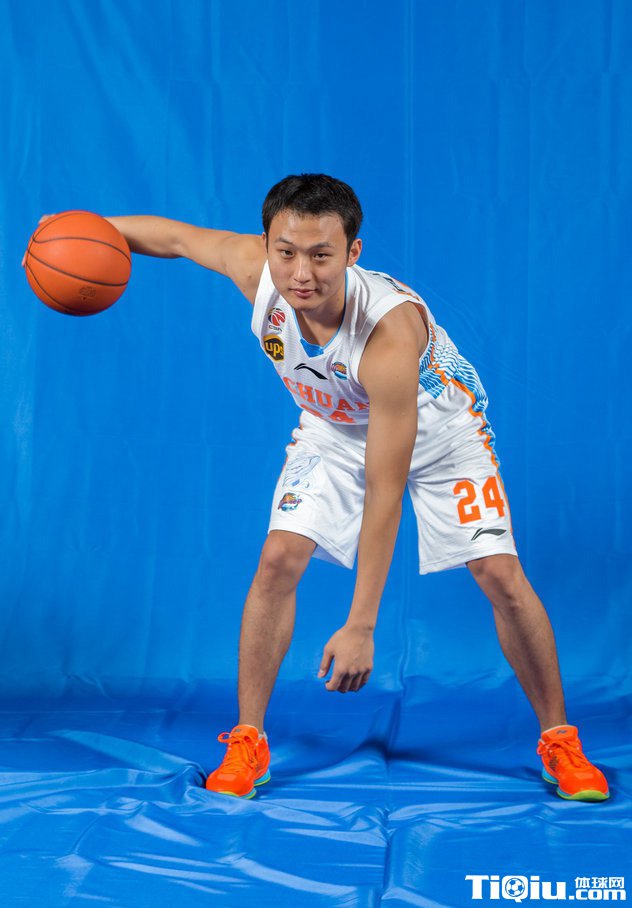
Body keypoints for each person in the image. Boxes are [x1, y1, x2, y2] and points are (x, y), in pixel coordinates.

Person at [100, 174, 606, 802]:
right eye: (286, 251)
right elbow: (175, 238)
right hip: (335, 427)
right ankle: (248, 739)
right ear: (266, 244)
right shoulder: (256, 271)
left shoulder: (387, 335)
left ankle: (560, 739)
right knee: (278, 558)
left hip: (442, 435)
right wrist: (81, 230)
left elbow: (383, 489)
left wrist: (360, 625)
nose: (301, 273)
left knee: (499, 573)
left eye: (321, 255)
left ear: (352, 253)